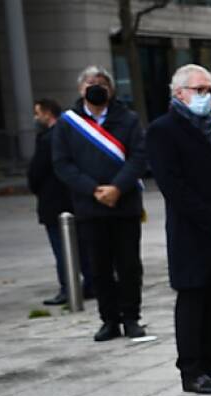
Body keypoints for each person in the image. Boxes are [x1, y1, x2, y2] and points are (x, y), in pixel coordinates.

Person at [145, 64, 211, 395]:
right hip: (193, 233)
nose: (208, 97)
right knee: (194, 302)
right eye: (201, 90)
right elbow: (174, 188)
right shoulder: (164, 130)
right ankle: (192, 370)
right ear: (180, 94)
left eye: (209, 90)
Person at [52, 66, 147, 341]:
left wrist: (117, 187)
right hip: (90, 207)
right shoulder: (68, 124)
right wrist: (93, 190)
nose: (96, 87)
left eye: (101, 83)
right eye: (90, 83)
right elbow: (61, 164)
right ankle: (109, 320)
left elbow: (139, 158)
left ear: (111, 88)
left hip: (125, 204)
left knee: (129, 265)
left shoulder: (127, 119)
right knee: (99, 266)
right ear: (81, 89)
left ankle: (131, 317)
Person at [27, 99, 88, 306]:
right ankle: (89, 283)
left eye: (38, 114)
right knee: (80, 245)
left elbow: (36, 172)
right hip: (73, 200)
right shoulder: (70, 134)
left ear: (47, 113)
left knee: (62, 248)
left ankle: (68, 288)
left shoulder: (47, 140)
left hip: (54, 202)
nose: (36, 119)